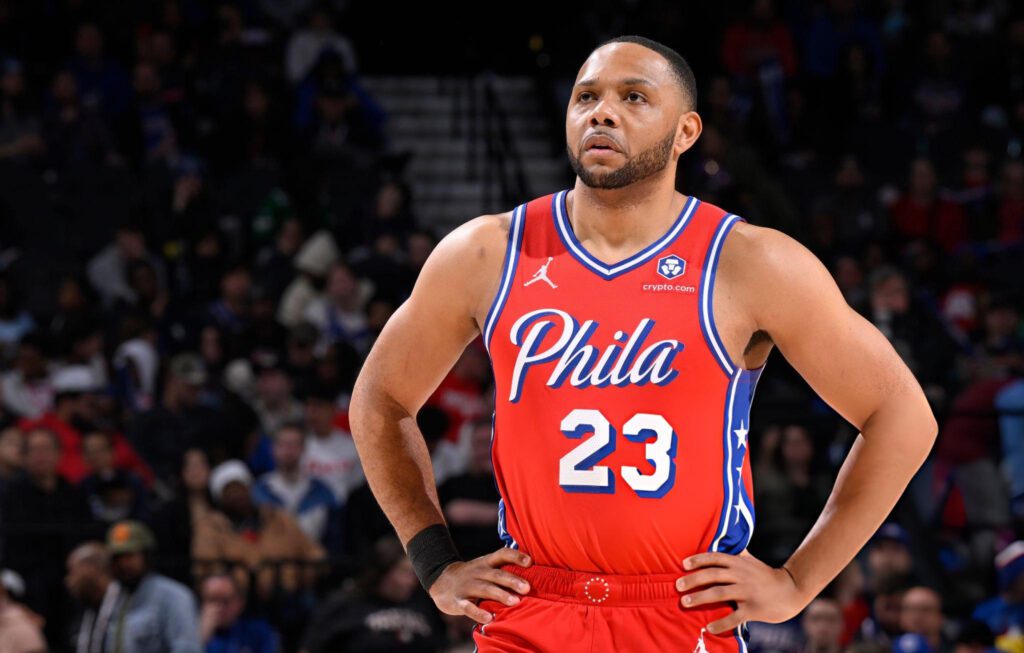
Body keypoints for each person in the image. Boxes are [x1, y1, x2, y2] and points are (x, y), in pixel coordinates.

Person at [348, 35, 938, 651]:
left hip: (678, 610)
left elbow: (901, 416)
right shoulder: (485, 252)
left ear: (685, 132)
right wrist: (435, 563)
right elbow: (380, 400)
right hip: (531, 607)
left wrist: (797, 582)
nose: (602, 112)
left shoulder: (751, 262)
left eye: (633, 97)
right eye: (586, 97)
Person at [104, 520, 202, 653]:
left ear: (146, 556)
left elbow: (187, 649)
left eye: (130, 556)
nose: (123, 564)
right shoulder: (114, 596)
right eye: (117, 557)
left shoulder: (174, 596)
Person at [198, 573, 278, 653]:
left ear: (240, 602)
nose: (219, 607)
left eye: (225, 601)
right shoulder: (192, 632)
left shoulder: (258, 632)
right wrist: (199, 639)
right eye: (212, 600)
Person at [65, 542, 117, 653]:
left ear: (91, 568)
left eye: (72, 571)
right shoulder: (88, 608)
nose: (68, 581)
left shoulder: (125, 606)